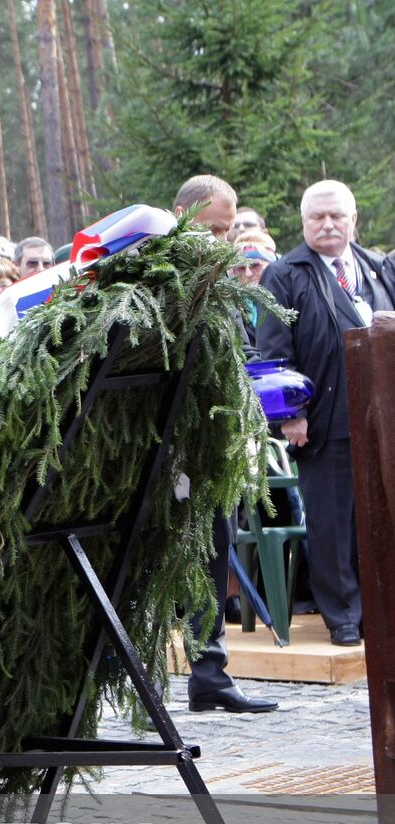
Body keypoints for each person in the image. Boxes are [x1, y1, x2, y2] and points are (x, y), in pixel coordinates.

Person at [258, 179, 395, 647]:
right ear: (303, 222)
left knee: (381, 518)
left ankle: (382, 611)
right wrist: (290, 415)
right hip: (322, 420)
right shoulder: (285, 274)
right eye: (318, 217)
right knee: (333, 524)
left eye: (337, 215)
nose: (328, 224)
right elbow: (275, 351)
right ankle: (344, 617)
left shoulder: (378, 268)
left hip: (382, 419)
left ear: (354, 220)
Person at [171, 174, 277, 713]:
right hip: (176, 451)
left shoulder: (228, 284)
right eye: (212, 228)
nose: (220, 240)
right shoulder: (165, 282)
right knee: (180, 558)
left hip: (221, 447)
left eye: (227, 229)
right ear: (182, 217)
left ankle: (209, 672)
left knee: (215, 552)